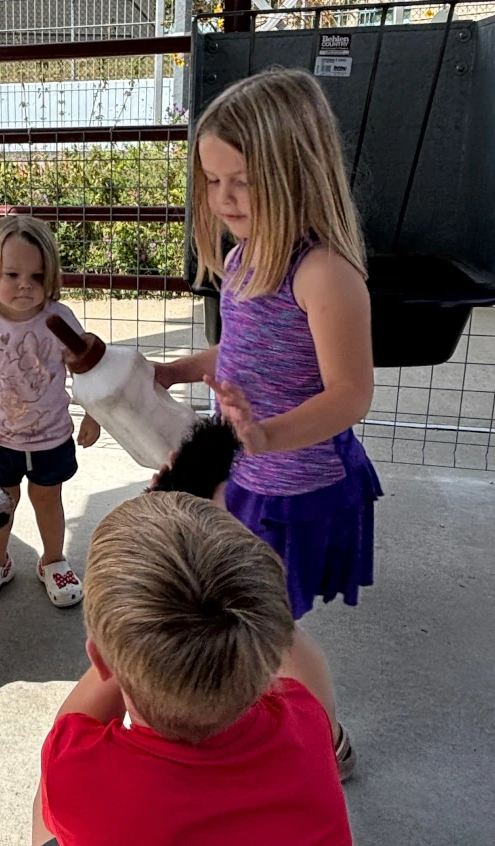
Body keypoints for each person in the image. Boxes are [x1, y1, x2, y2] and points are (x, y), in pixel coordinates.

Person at [155, 67, 381, 780]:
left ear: (296, 169)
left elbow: (352, 393)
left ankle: (329, 744)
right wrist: (175, 371)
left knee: (269, 630)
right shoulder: (247, 256)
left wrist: (270, 434)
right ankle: (266, 712)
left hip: (300, 486)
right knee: (243, 612)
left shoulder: (325, 275)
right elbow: (245, 350)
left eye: (241, 180)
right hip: (251, 473)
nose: (223, 198)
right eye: (213, 180)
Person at [32, 493, 353, 846]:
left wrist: (124, 645)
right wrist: (247, 586)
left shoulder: (79, 773)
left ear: (100, 660)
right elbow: (299, 659)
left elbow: (70, 724)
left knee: (47, 807)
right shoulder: (306, 726)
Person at [0, 215, 100, 607]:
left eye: (36, 276)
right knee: (0, 500)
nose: (25, 285)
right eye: (12, 273)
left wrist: (94, 414)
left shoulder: (58, 319)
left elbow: (87, 369)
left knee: (48, 498)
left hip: (51, 435)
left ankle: (53, 561)